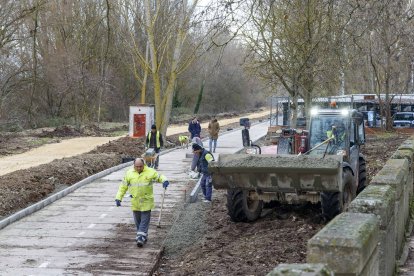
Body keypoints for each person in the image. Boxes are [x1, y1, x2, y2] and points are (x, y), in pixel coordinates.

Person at [115, 158, 169, 247]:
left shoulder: (150, 171)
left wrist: (164, 180)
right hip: (135, 201)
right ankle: (143, 235)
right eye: (137, 167)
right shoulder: (129, 173)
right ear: (134, 165)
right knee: (138, 222)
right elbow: (123, 187)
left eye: (140, 166)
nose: (139, 168)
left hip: (146, 201)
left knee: (144, 221)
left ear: (143, 165)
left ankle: (140, 237)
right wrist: (118, 198)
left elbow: (159, 177)